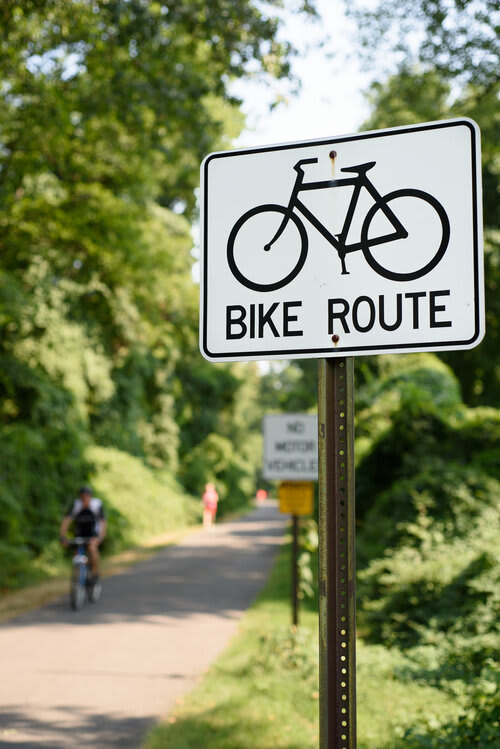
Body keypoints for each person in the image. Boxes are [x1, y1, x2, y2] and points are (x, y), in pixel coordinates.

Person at [60, 486, 107, 582]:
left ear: (91, 497)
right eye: (83, 497)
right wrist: (62, 536)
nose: (85, 499)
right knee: (76, 552)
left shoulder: (96, 505)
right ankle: (78, 575)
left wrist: (100, 537)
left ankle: (94, 572)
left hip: (93, 532)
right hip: (80, 532)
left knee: (92, 548)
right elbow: (66, 520)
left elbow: (103, 522)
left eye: (87, 497)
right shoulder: (76, 505)